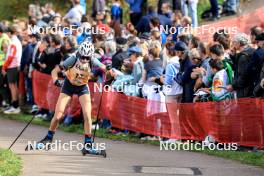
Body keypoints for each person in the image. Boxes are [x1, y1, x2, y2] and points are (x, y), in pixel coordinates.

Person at [34, 41, 106, 155]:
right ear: (79, 54)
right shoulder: (72, 59)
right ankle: (48, 139)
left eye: (87, 58)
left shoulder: (92, 59)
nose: (85, 60)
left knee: (87, 115)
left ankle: (88, 145)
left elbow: (104, 68)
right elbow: (55, 71)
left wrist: (111, 72)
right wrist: (55, 80)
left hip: (82, 88)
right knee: (58, 116)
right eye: (83, 57)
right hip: (68, 86)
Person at [227, 33, 255, 98]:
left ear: (239, 43)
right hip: (252, 88)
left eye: (234, 42)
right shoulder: (252, 51)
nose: (232, 44)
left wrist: (233, 86)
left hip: (245, 92)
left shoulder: (243, 57)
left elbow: (243, 76)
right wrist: (233, 57)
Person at [2, 25, 22, 114]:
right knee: (12, 86)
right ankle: (14, 105)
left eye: (7, 32)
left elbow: (11, 56)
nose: (7, 34)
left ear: (10, 33)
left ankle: (15, 106)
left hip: (12, 66)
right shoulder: (14, 41)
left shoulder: (14, 42)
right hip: (13, 66)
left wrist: (4, 67)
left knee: (12, 86)